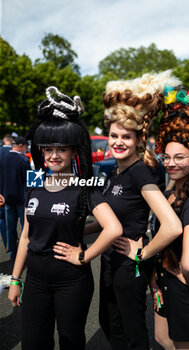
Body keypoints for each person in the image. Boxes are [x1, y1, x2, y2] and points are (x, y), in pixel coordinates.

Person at [8, 86, 123, 350]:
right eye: (47, 148)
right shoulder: (35, 180)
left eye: (61, 148)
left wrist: (84, 255)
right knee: (34, 343)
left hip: (72, 281)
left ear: (73, 151)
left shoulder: (86, 184)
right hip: (35, 279)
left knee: (71, 341)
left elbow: (113, 228)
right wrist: (15, 279)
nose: (53, 155)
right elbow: (27, 234)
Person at [85, 70, 183, 350]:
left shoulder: (140, 173)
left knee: (132, 333)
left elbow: (172, 225)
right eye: (114, 135)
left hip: (130, 267)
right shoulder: (117, 171)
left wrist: (142, 254)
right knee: (108, 322)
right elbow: (112, 220)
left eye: (126, 137)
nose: (118, 141)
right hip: (109, 262)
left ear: (139, 139)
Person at [116, 87, 189, 349]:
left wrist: (185, 283)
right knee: (161, 338)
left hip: (182, 288)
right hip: (162, 283)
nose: (171, 163)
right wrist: (157, 278)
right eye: (167, 156)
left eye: (180, 157)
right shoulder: (167, 192)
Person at [0, 136, 31, 260]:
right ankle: (25, 253)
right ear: (21, 146)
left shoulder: (2, 159)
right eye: (26, 147)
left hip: (7, 198)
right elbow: (29, 181)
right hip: (21, 199)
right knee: (25, 228)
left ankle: (12, 253)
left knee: (10, 227)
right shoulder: (24, 160)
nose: (26, 149)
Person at [0, 133, 13, 248]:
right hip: (15, 191)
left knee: (2, 219)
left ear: (4, 140)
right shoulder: (16, 153)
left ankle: (7, 244)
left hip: (1, 191)